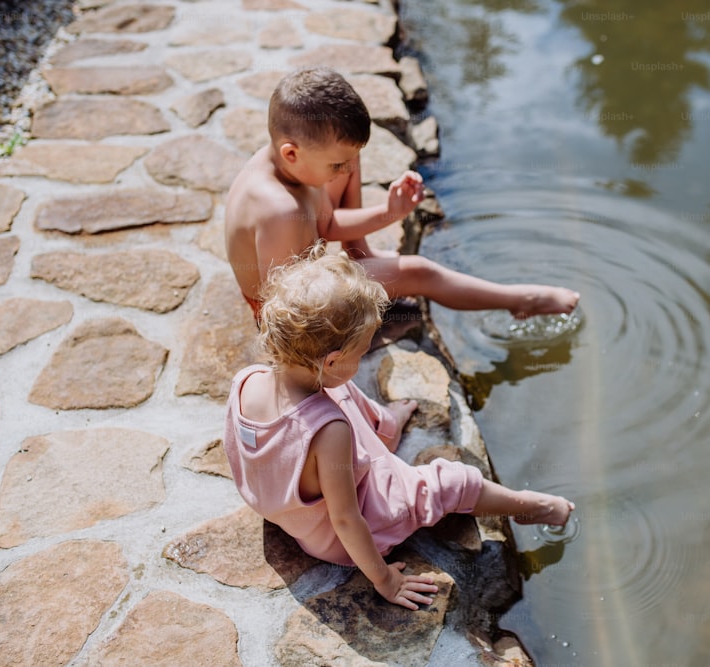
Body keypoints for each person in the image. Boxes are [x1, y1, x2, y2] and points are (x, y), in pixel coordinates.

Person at [222, 248, 575, 610]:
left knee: (336, 388)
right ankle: (527, 506)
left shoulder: (248, 380)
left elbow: (271, 439)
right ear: (333, 358)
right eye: (360, 354)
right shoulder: (330, 433)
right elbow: (346, 519)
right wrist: (385, 579)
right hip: (334, 537)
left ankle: (385, 426)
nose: (361, 361)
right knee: (450, 482)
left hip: (285, 509)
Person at [225, 66, 580, 323]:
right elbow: (288, 314)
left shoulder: (295, 161)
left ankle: (360, 253)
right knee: (419, 272)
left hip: (305, 272)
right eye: (337, 167)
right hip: (296, 304)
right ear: (290, 153)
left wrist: (390, 212)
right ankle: (522, 299)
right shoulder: (280, 210)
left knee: (347, 153)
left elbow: (327, 224)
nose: (346, 172)